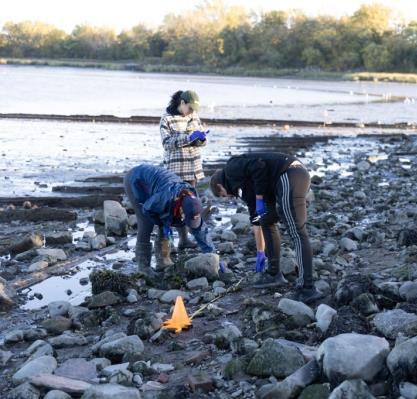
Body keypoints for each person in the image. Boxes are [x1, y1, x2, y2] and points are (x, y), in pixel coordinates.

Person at [210, 152, 324, 303]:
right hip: (282, 181)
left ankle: (307, 288)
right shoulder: (243, 187)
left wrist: (259, 197)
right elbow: (256, 219)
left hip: (291, 173)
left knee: (297, 232)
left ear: (220, 186)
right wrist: (260, 252)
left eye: (223, 195)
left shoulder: (232, 167)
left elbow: (259, 166)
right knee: (266, 220)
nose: (228, 197)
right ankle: (273, 273)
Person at [124, 164, 214, 273]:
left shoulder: (193, 201)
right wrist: (161, 222)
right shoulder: (164, 199)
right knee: (146, 224)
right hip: (137, 181)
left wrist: (212, 254)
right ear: (181, 209)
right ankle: (143, 268)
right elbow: (147, 208)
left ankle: (163, 261)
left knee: (167, 220)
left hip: (159, 186)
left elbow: (200, 229)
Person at [160, 90, 210, 250]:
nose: (191, 111)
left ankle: (186, 239)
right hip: (175, 169)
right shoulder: (166, 118)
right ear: (181, 103)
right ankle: (173, 241)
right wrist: (188, 138)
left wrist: (201, 138)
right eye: (189, 107)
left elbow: (203, 141)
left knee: (191, 205)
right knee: (174, 205)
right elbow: (167, 143)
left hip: (193, 167)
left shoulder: (193, 116)